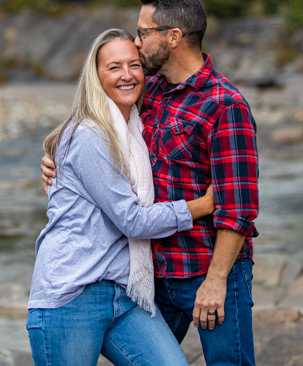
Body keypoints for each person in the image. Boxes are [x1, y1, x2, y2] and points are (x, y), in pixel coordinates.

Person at [42, 0, 259, 366]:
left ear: (173, 37)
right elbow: (93, 124)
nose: (137, 44)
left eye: (144, 33)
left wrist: (217, 280)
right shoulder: (151, 90)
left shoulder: (225, 106)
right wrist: (53, 157)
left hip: (204, 270)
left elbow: (238, 210)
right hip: (155, 273)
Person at [27, 28, 217, 366]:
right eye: (114, 67)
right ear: (96, 76)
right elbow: (132, 220)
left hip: (125, 294)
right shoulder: (89, 135)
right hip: (72, 295)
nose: (127, 75)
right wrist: (202, 205)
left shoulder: (138, 128)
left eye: (134, 65)